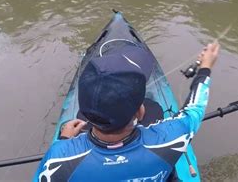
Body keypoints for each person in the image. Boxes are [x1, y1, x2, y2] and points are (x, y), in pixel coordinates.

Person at [34, 43, 220, 181]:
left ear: (84, 112)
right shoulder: (171, 138)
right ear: (140, 112)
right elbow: (195, 108)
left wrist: (65, 140)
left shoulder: (58, 157)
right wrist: (205, 68)